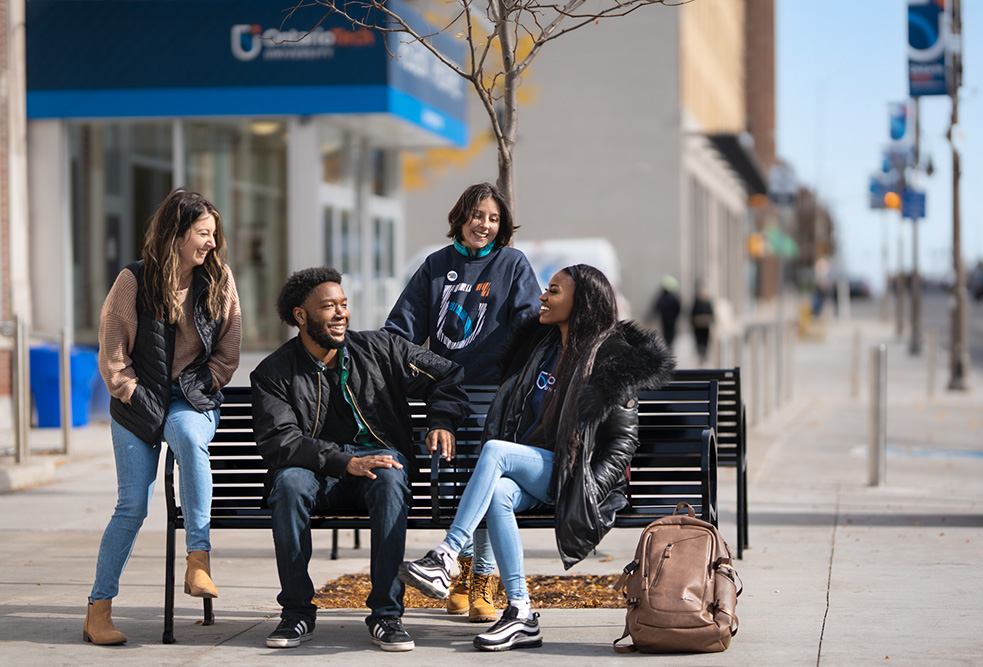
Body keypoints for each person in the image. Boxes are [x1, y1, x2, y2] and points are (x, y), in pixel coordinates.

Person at [398, 264, 674, 651]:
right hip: (535, 468)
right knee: (499, 493)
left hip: (571, 475)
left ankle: (446, 556)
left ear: (582, 303)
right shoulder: (542, 348)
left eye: (555, 291)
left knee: (495, 451)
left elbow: (622, 443)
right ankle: (521, 613)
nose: (543, 296)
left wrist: (587, 485)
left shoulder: (611, 357)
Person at [251, 267, 468, 652]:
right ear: (301, 316)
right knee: (287, 484)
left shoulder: (383, 348)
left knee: (389, 474)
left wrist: (442, 421)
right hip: (317, 469)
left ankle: (387, 615)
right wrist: (342, 461)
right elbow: (280, 442)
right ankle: (297, 612)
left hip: (376, 465)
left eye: (344, 305)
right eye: (329, 307)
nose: (341, 314)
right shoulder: (273, 372)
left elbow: (446, 374)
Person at [85, 189, 242, 645]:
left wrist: (202, 385)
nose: (211, 243)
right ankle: (98, 610)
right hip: (137, 403)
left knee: (189, 437)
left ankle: (198, 560)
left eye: (214, 234)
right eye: (203, 233)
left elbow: (228, 351)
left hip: (191, 398)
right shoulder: (132, 281)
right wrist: (137, 395)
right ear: (176, 234)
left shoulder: (219, 280)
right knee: (131, 506)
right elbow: (113, 357)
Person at [383, 182, 539, 622]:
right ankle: (462, 573)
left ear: (502, 225)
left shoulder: (513, 264)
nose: (484, 225)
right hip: (448, 395)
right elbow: (401, 330)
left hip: (497, 396)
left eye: (493, 219)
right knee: (459, 488)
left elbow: (530, 326)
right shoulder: (436, 266)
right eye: (477, 216)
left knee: (487, 490)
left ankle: (483, 584)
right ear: (460, 218)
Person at [650, 274, 681, 346]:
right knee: (671, 333)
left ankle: (668, 344)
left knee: (667, 333)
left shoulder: (662, 297)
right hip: (671, 319)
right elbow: (678, 308)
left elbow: (657, 307)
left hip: (665, 319)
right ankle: (669, 344)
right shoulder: (674, 297)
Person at [691, 284, 715, 365]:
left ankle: (703, 354)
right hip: (699, 325)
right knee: (700, 340)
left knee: (703, 340)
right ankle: (701, 354)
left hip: (703, 325)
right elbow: (692, 313)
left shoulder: (706, 302)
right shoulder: (698, 302)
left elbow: (712, 313)